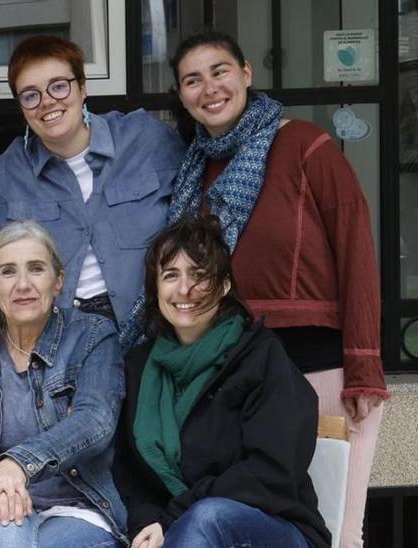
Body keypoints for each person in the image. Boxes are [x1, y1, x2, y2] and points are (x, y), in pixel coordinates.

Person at [164, 31, 386, 548]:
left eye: (219, 71)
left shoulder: (306, 145)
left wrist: (364, 368)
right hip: (235, 369)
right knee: (251, 527)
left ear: (246, 73)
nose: (209, 88)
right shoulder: (194, 172)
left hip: (320, 368)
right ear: (181, 95)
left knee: (337, 531)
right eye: (192, 80)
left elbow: (357, 253)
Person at [114, 215, 329, 548]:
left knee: (207, 518)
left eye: (199, 276)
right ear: (155, 289)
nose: (184, 289)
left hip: (274, 528)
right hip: (176, 530)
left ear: (225, 285)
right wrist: (149, 522)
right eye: (171, 275)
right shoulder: (139, 368)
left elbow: (271, 472)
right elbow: (129, 472)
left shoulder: (261, 359)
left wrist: (174, 517)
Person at [0, 36, 184, 349]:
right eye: (31, 95)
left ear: (82, 87)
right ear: (21, 107)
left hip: (153, 333)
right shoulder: (2, 180)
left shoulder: (148, 141)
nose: (47, 101)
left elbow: (206, 169)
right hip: (57, 346)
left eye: (59, 86)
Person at [0, 220, 126, 548]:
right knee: (2, 527)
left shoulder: (93, 336)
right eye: (8, 272)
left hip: (77, 507)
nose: (22, 284)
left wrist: (19, 465)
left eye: (36, 269)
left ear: (58, 281)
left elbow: (95, 419)